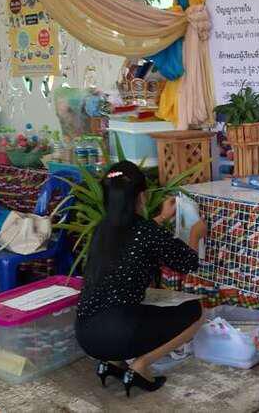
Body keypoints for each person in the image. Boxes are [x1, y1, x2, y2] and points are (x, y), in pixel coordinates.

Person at [75, 161, 207, 397]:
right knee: (197, 312)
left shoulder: (102, 229)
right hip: (120, 333)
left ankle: (112, 362)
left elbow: (134, 237)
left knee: (126, 309)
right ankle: (141, 366)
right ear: (142, 196)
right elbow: (188, 262)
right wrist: (196, 234)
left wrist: (162, 217)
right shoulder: (146, 232)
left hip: (85, 335)